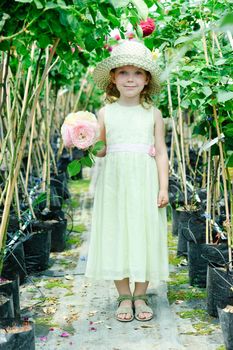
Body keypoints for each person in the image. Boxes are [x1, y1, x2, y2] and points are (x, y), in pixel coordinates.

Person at [85, 40, 169, 322]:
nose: (130, 78)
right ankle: (123, 295)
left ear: (146, 80)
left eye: (137, 73)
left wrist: (163, 187)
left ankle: (141, 294)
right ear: (113, 78)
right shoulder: (106, 113)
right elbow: (102, 149)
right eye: (123, 72)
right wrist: (83, 138)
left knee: (143, 230)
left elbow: (160, 153)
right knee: (117, 231)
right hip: (115, 184)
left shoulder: (153, 114)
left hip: (144, 182)